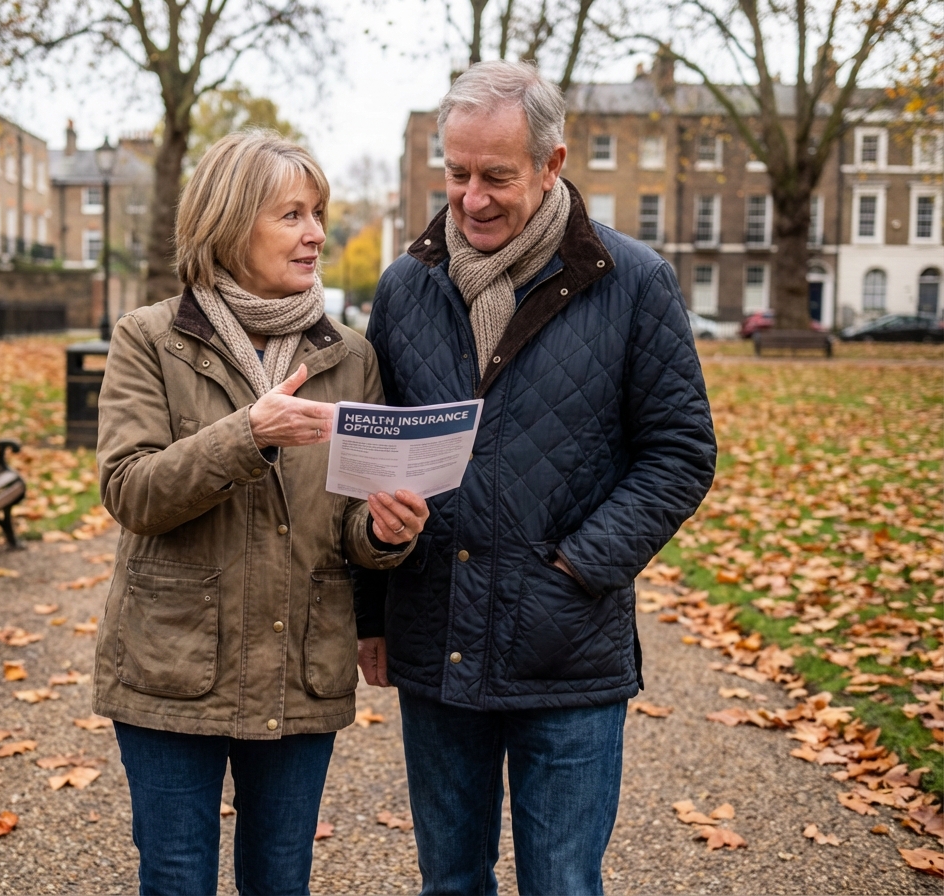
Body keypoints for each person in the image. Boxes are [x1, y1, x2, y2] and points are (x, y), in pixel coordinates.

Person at [355, 61, 717, 895]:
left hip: (566, 648)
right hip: (435, 634)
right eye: (456, 173)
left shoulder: (634, 282)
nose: (471, 199)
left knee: (560, 882)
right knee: (450, 881)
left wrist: (578, 568)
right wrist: (370, 612)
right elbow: (374, 458)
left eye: (496, 177)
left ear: (553, 165)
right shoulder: (407, 286)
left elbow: (680, 452)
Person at [93, 131, 429, 896]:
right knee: (176, 879)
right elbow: (131, 491)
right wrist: (248, 432)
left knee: (281, 879)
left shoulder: (350, 354)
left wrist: (384, 532)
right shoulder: (150, 339)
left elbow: (351, 523)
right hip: (172, 663)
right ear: (229, 221)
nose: (316, 234)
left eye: (319, 213)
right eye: (291, 215)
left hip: (298, 665)